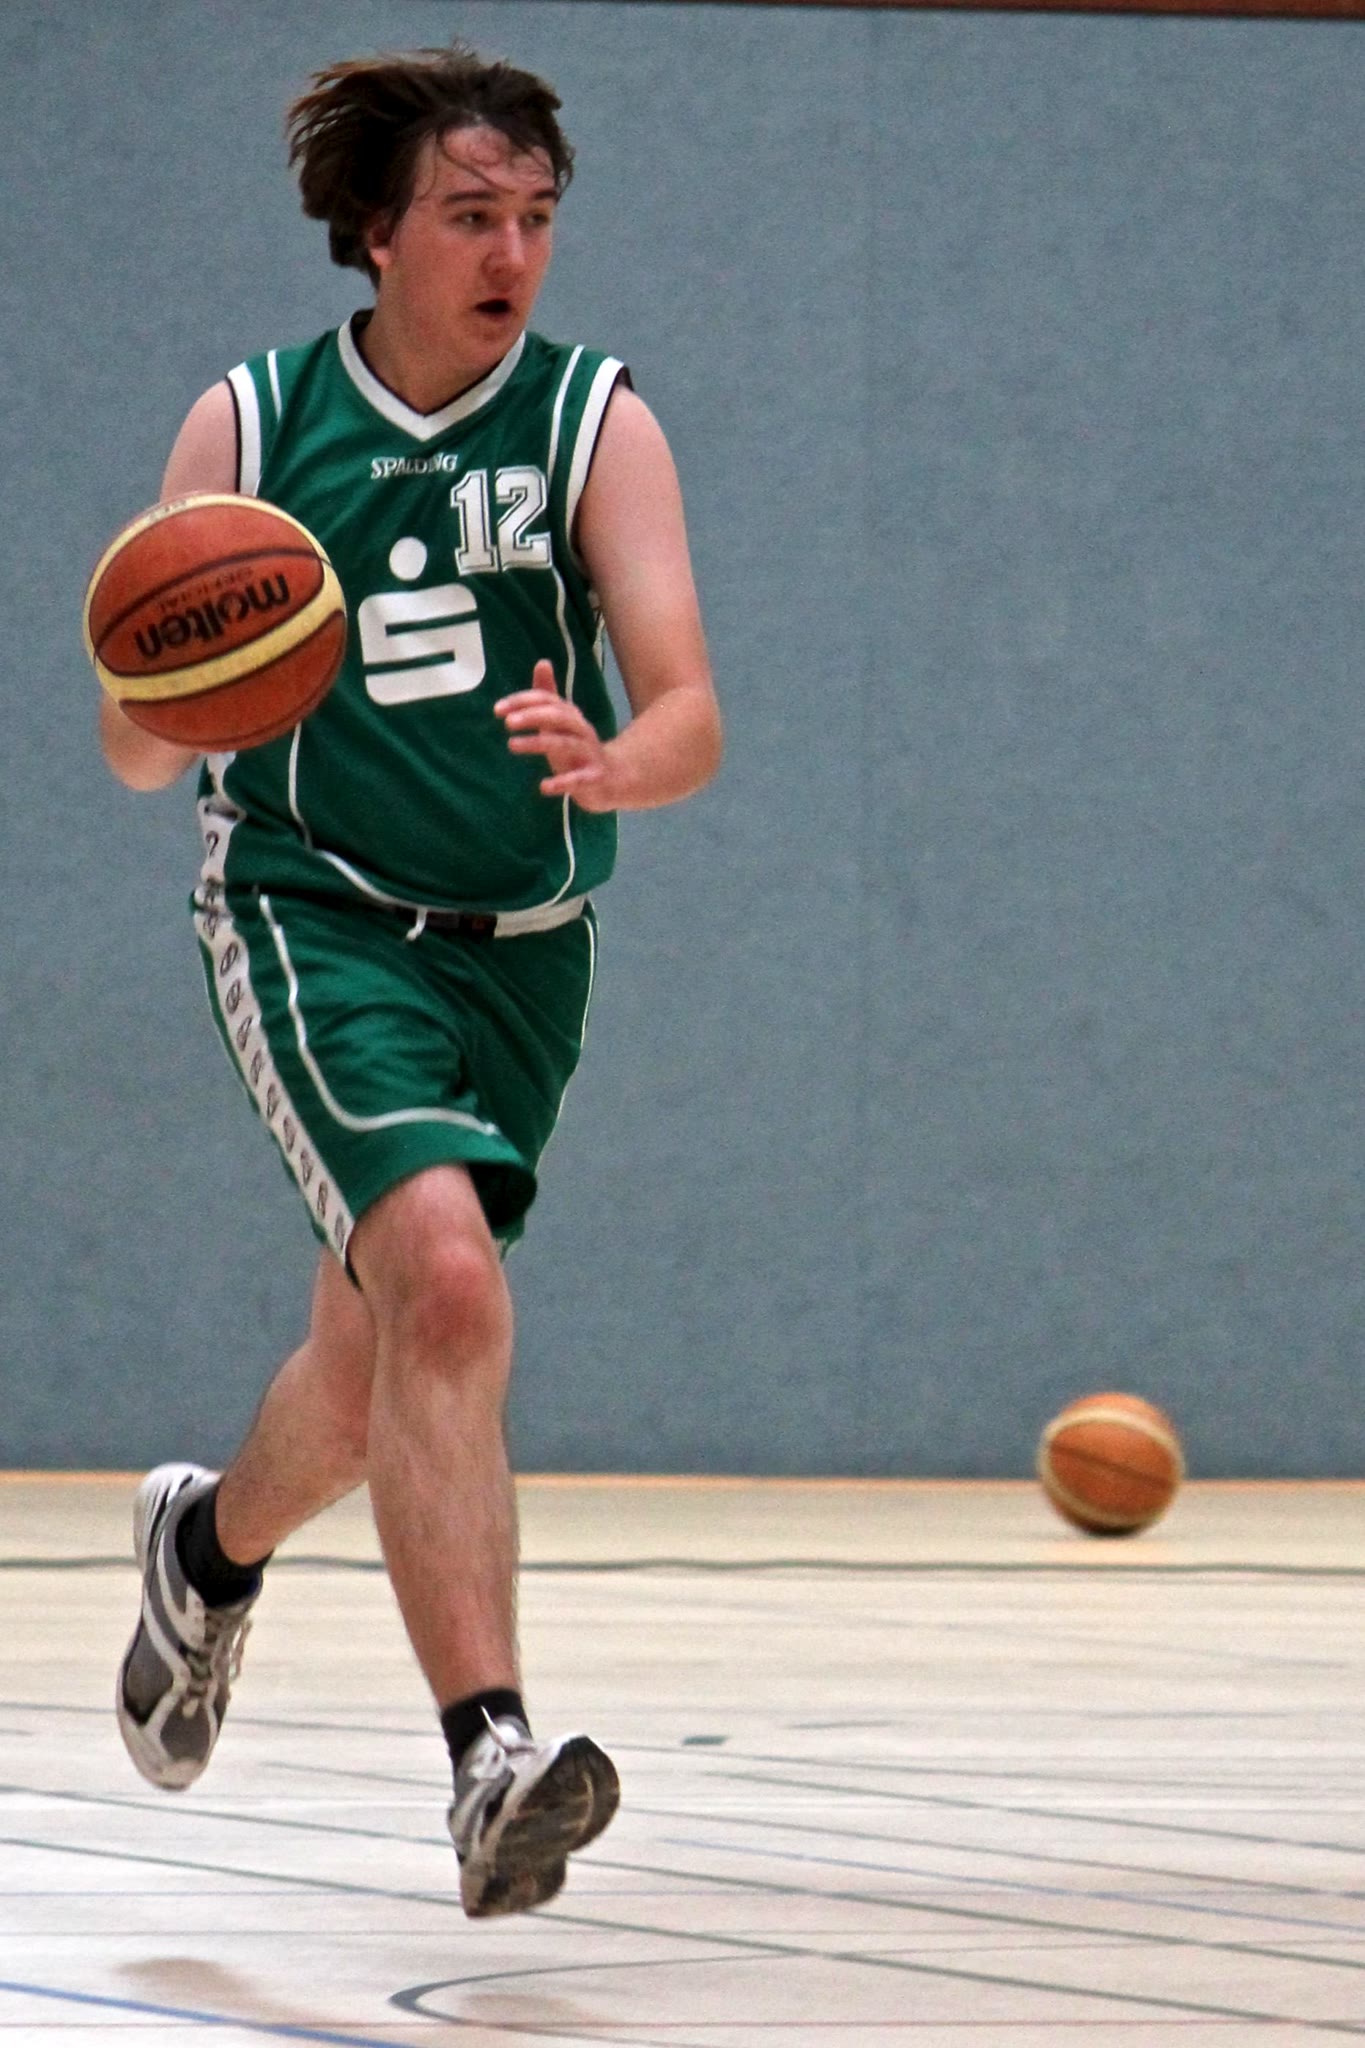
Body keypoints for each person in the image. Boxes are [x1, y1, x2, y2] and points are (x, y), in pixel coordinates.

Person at [98, 41, 721, 1921]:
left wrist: (619, 763)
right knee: (446, 1281)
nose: (509, 251)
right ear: (376, 233)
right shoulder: (252, 425)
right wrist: (179, 691)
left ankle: (207, 1554)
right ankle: (489, 1759)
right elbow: (136, 751)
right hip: (316, 911)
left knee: (381, 1353)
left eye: (534, 216)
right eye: (468, 215)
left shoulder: (595, 422)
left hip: (524, 947)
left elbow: (687, 711)